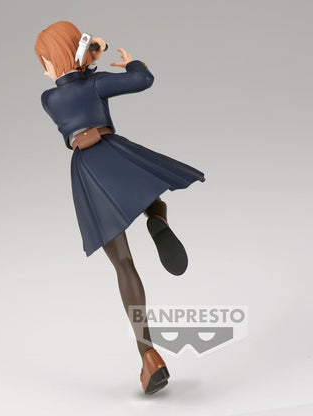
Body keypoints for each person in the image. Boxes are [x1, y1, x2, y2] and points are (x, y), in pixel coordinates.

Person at [35, 21, 205, 395]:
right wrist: (130, 62)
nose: (43, 69)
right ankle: (157, 221)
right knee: (147, 195)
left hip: (86, 169)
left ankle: (149, 356)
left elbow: (69, 83)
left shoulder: (49, 99)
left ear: (51, 62)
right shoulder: (95, 84)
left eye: (43, 62)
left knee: (123, 263)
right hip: (113, 150)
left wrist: (85, 58)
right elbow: (143, 80)